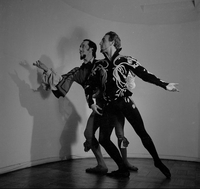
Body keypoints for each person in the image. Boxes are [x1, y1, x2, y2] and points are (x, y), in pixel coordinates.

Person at [33, 39, 137, 175]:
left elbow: (118, 73)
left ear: (91, 50)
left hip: (114, 105)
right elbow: (63, 80)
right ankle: (101, 165)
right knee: (89, 134)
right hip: (98, 107)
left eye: (83, 46)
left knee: (120, 134)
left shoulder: (102, 64)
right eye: (80, 47)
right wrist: (48, 71)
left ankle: (125, 164)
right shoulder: (79, 71)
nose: (80, 49)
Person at [85, 31, 179, 178]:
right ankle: (122, 169)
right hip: (109, 106)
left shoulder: (126, 60)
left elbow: (145, 74)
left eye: (103, 40)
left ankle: (157, 161)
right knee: (103, 139)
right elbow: (88, 85)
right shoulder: (99, 65)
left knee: (142, 133)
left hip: (124, 103)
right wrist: (90, 102)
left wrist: (164, 85)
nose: (100, 43)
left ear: (112, 42)